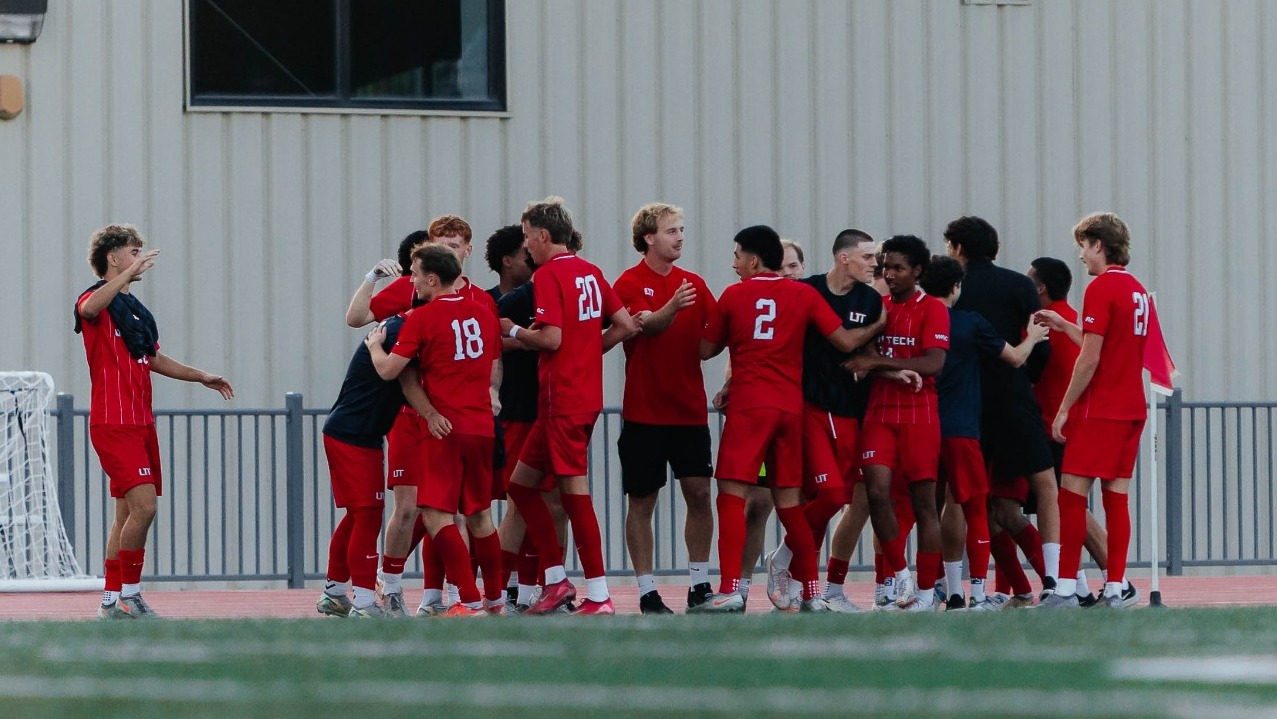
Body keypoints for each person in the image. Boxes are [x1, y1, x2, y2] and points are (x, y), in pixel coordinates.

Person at [699, 225, 883, 613]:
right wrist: (880, 323)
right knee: (789, 503)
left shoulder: (734, 294)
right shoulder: (803, 293)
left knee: (732, 494)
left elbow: (706, 349)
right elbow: (846, 342)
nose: (734, 264)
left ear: (752, 259)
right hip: (791, 408)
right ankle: (812, 591)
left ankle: (732, 587)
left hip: (751, 405)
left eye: (736, 256)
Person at [75, 224, 234, 619]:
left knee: (126, 515)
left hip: (140, 422)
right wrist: (126, 276)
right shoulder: (94, 297)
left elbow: (154, 358)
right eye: (132, 251)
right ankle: (130, 594)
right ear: (112, 258)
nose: (140, 257)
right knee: (145, 507)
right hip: (113, 422)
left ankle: (111, 602)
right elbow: (90, 310)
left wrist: (201, 376)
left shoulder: (136, 311)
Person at [499, 196, 640, 615]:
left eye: (528, 237)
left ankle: (598, 594)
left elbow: (552, 339)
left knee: (574, 495)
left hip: (562, 401)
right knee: (521, 487)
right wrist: (585, 350)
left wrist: (516, 331)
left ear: (543, 236)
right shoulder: (591, 271)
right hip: (576, 399)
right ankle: (557, 581)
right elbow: (625, 324)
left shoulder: (549, 275)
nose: (526, 246)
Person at [366, 243, 505, 616]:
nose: (411, 280)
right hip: (482, 426)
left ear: (432, 278)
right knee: (480, 515)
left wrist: (375, 346)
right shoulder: (484, 314)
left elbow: (390, 370)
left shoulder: (423, 318)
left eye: (415, 274)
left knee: (436, 514)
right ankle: (496, 601)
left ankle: (469, 602)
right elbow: (493, 371)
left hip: (446, 429)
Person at [762, 229, 885, 613]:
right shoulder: (809, 291)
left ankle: (797, 574)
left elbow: (869, 352)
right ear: (843, 258)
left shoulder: (870, 298)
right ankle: (781, 566)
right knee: (825, 495)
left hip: (852, 411)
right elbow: (842, 342)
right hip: (810, 407)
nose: (874, 264)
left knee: (835, 498)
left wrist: (884, 365)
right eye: (867, 257)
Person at [1036, 213, 1152, 609]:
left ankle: (1066, 587)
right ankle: (1117, 587)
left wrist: (1065, 408)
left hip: (1099, 408)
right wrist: (1063, 323)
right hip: (1131, 406)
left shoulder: (1101, 287)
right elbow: (1106, 340)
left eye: (1084, 246)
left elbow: (1090, 356)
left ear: (1098, 244)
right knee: (1116, 498)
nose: (1082, 256)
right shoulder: (1137, 289)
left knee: (1070, 496)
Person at [921, 256, 1047, 611]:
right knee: (975, 508)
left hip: (924, 428)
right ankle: (976, 592)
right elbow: (1016, 358)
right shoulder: (970, 323)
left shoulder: (915, 319)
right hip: (962, 429)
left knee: (926, 510)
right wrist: (1034, 336)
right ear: (955, 287)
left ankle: (936, 590)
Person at [946, 216, 1061, 598]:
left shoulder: (950, 289)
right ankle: (1055, 580)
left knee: (962, 499)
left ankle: (951, 588)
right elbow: (1039, 340)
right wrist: (1024, 378)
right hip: (1012, 396)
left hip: (966, 401)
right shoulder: (1018, 284)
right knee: (1045, 485)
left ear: (958, 249)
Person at [613, 203, 719, 614]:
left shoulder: (693, 282)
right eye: (671, 230)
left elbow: (710, 344)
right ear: (648, 239)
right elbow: (646, 326)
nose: (679, 237)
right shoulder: (629, 282)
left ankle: (699, 584)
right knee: (642, 502)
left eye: (681, 229)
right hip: (644, 414)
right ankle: (646, 590)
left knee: (699, 494)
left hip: (689, 412)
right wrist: (673, 306)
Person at [844, 235, 949, 611]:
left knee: (924, 505)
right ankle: (900, 576)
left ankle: (925, 593)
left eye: (897, 268)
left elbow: (933, 363)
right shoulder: (878, 306)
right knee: (876, 493)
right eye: (885, 266)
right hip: (880, 413)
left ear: (917, 271)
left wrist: (876, 364)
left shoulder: (932, 309)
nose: (889, 273)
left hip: (920, 415)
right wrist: (877, 362)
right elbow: (862, 349)